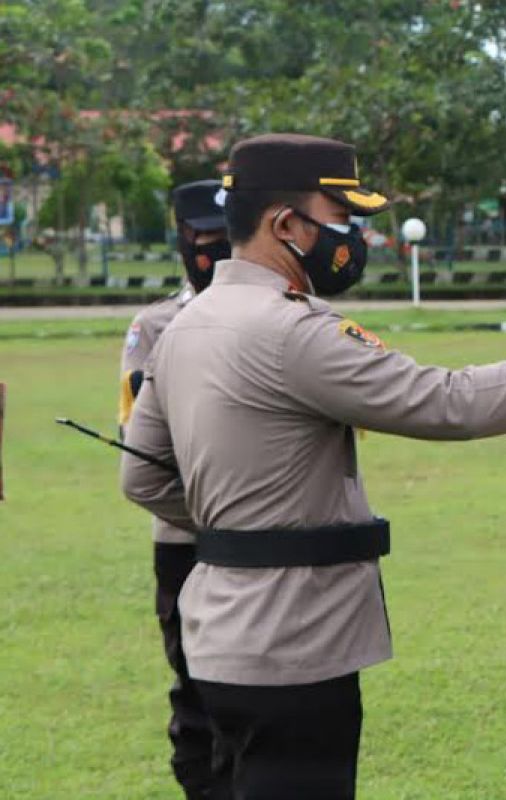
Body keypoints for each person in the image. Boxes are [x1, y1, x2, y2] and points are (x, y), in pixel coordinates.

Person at [120, 133, 506, 799]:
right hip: (295, 640)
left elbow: (142, 474)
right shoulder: (294, 331)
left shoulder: (185, 324)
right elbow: (445, 401)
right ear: (286, 225)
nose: (353, 237)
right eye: (340, 218)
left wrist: (238, 524)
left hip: (216, 635)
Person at [118, 178, 229, 799]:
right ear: (184, 243)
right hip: (185, 538)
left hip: (263, 541)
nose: (216, 254)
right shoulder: (157, 326)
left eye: (226, 238)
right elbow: (141, 447)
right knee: (195, 692)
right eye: (205, 241)